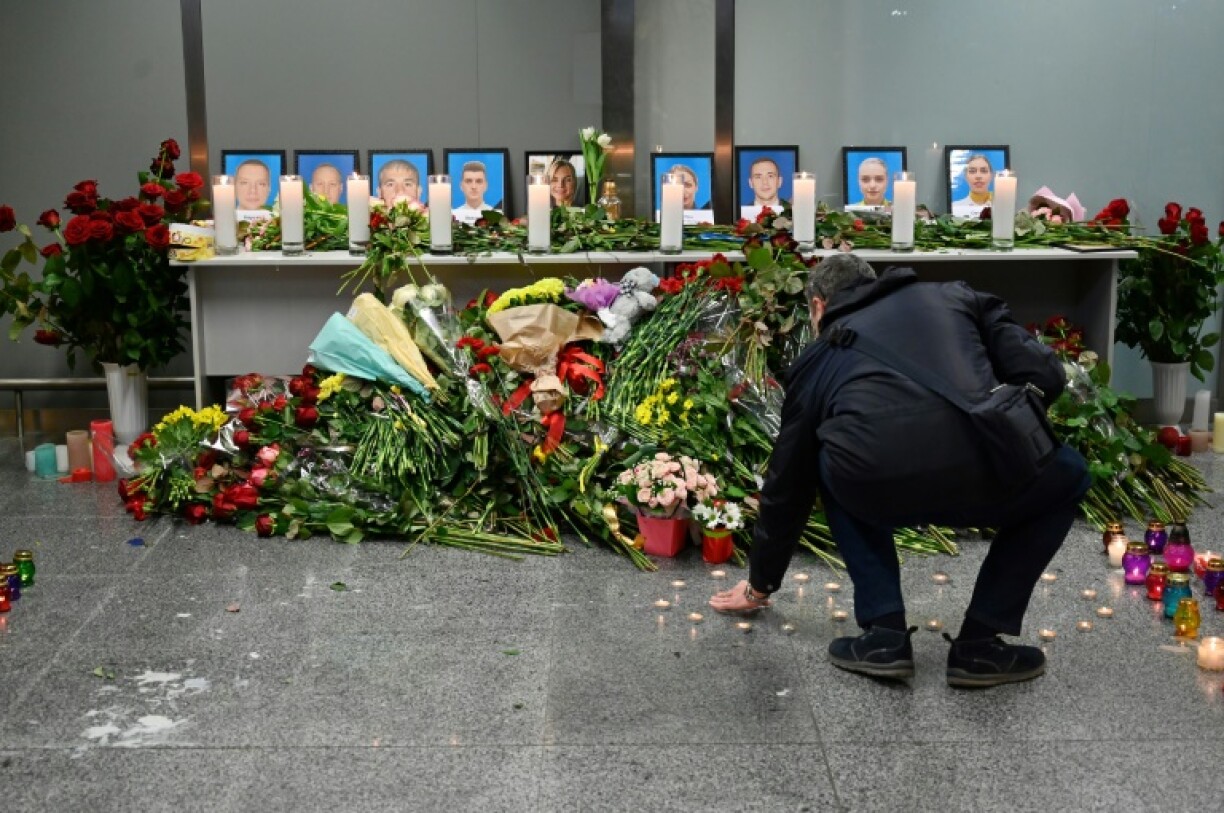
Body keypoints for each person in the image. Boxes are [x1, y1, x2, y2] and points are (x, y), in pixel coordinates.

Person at [709, 253, 1090, 689]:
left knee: (830, 458)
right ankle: (981, 644)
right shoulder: (958, 297)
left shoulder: (818, 359)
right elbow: (1046, 375)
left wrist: (761, 584)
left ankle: (884, 635)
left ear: (818, 306)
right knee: (1069, 474)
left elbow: (786, 484)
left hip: (878, 487)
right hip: (987, 474)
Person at [453, 160, 498, 225]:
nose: (474, 186)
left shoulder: (497, 216)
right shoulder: (454, 216)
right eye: (468, 181)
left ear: (485, 186)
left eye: (478, 181)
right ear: (461, 186)